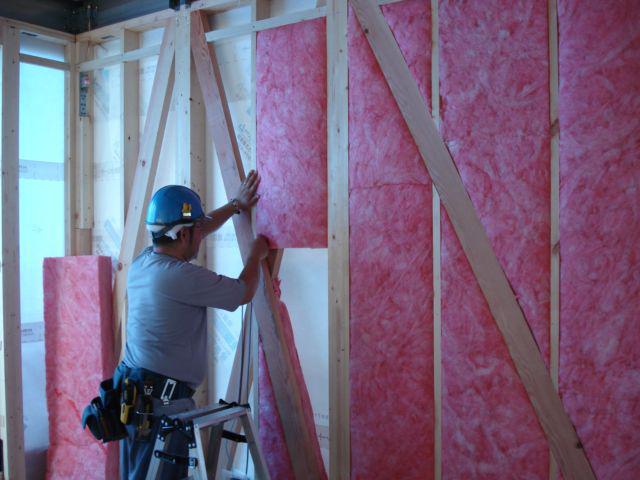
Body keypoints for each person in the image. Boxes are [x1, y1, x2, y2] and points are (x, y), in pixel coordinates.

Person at [114, 170, 269, 479]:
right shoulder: (178, 276)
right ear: (183, 236)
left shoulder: (144, 261)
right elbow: (242, 292)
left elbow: (197, 227)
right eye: (197, 229)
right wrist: (255, 255)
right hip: (160, 406)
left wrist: (234, 205)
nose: (202, 233)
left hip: (136, 397)